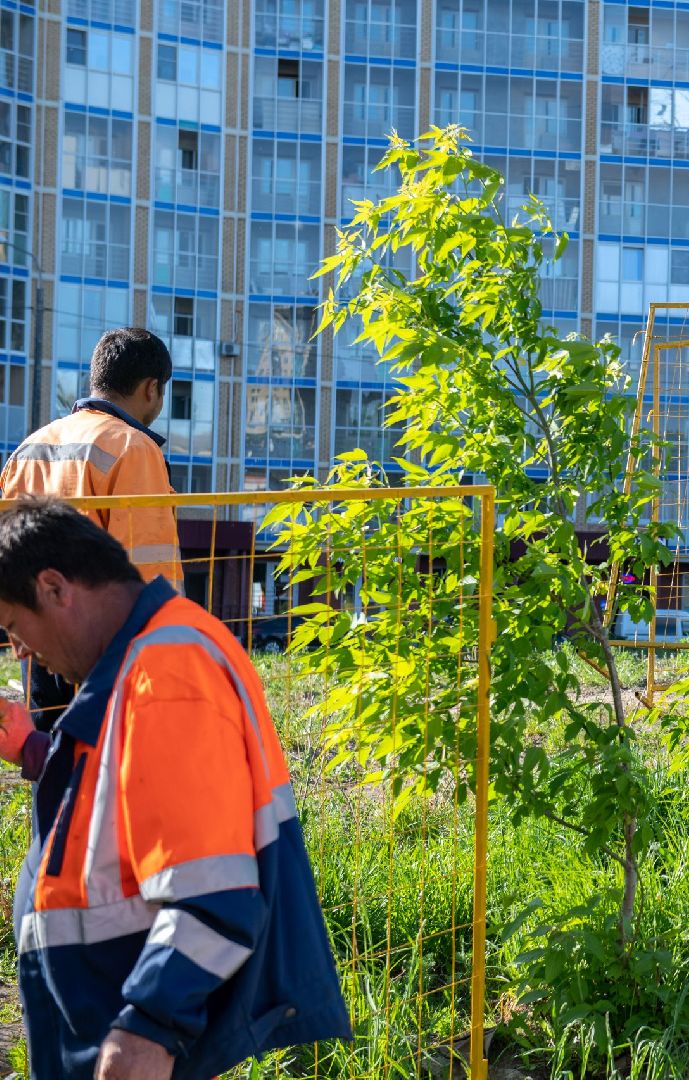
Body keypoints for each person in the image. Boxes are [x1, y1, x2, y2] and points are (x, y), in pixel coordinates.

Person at [0, 500, 350, 1079]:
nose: (19, 650)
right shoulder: (144, 663)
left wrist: (147, 1027)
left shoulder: (165, 670)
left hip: (130, 1043)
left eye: (14, 626)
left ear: (55, 587)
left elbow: (212, 892)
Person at [0, 327, 183, 737]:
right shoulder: (134, 449)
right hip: (103, 645)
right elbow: (150, 567)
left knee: (46, 763)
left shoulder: (29, 448)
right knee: (103, 766)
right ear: (152, 388)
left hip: (33, 636)